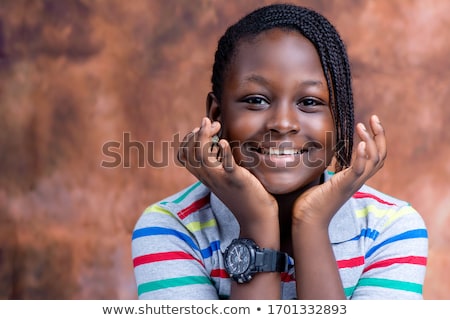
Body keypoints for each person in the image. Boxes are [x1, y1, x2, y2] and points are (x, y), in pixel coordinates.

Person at [131, 3, 428, 300]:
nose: (283, 124)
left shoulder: (391, 228)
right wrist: (256, 222)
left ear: (340, 117)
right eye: (257, 100)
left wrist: (311, 223)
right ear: (217, 114)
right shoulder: (171, 227)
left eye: (310, 102)